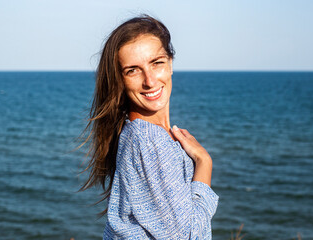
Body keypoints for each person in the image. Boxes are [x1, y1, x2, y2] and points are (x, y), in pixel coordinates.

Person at [81, 15, 219, 239]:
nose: (150, 81)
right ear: (120, 80)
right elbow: (186, 237)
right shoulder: (147, 139)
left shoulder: (143, 134)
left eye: (157, 63)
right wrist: (204, 162)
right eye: (132, 70)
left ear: (170, 63)